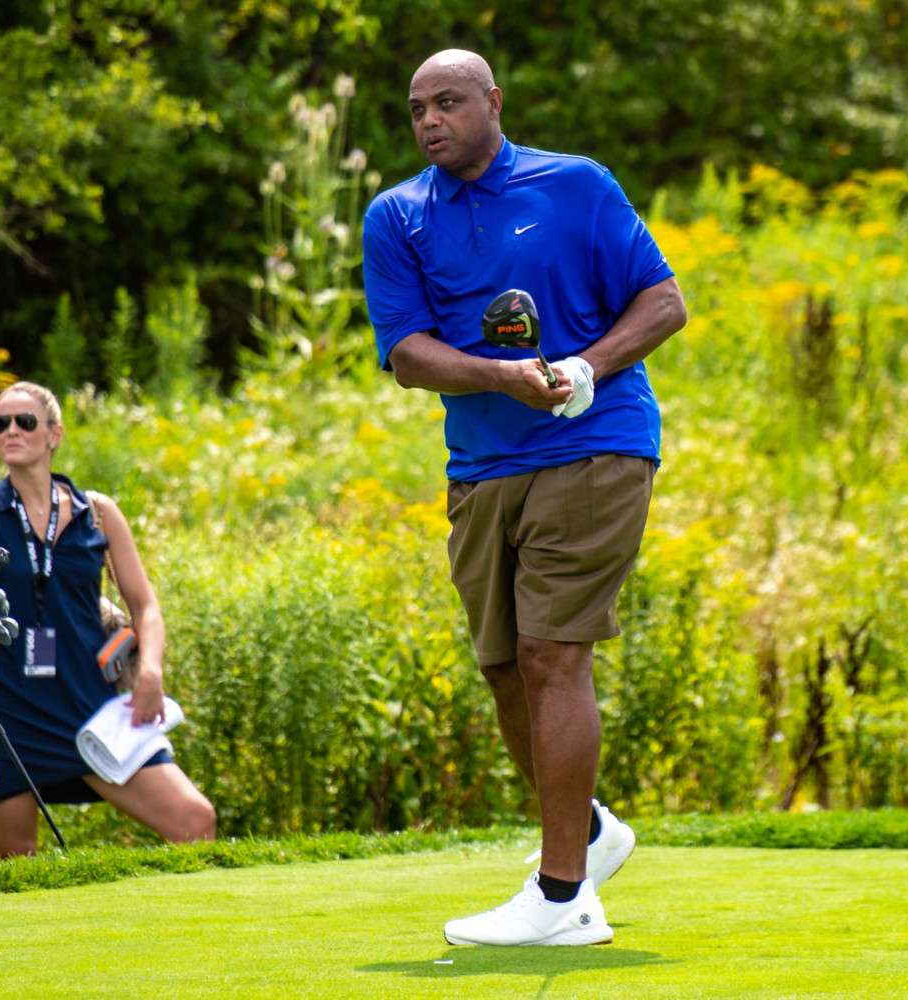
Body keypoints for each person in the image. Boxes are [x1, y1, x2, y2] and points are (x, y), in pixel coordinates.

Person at [361, 50, 687, 946]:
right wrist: (504, 378)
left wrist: (586, 365)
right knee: (506, 669)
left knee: (551, 656)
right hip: (482, 467)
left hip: (597, 442)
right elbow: (407, 353)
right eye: (418, 107)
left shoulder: (577, 185)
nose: (431, 120)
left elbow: (663, 303)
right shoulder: (397, 214)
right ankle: (588, 833)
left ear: (494, 102)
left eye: (450, 102)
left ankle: (561, 897)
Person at [0, 381, 216, 857]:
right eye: (0, 423)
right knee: (14, 861)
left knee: (195, 820)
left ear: (54, 435)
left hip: (92, 708)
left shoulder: (98, 514)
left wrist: (151, 670)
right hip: (10, 717)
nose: (11, 430)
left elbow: (145, 606)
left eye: (24, 421)